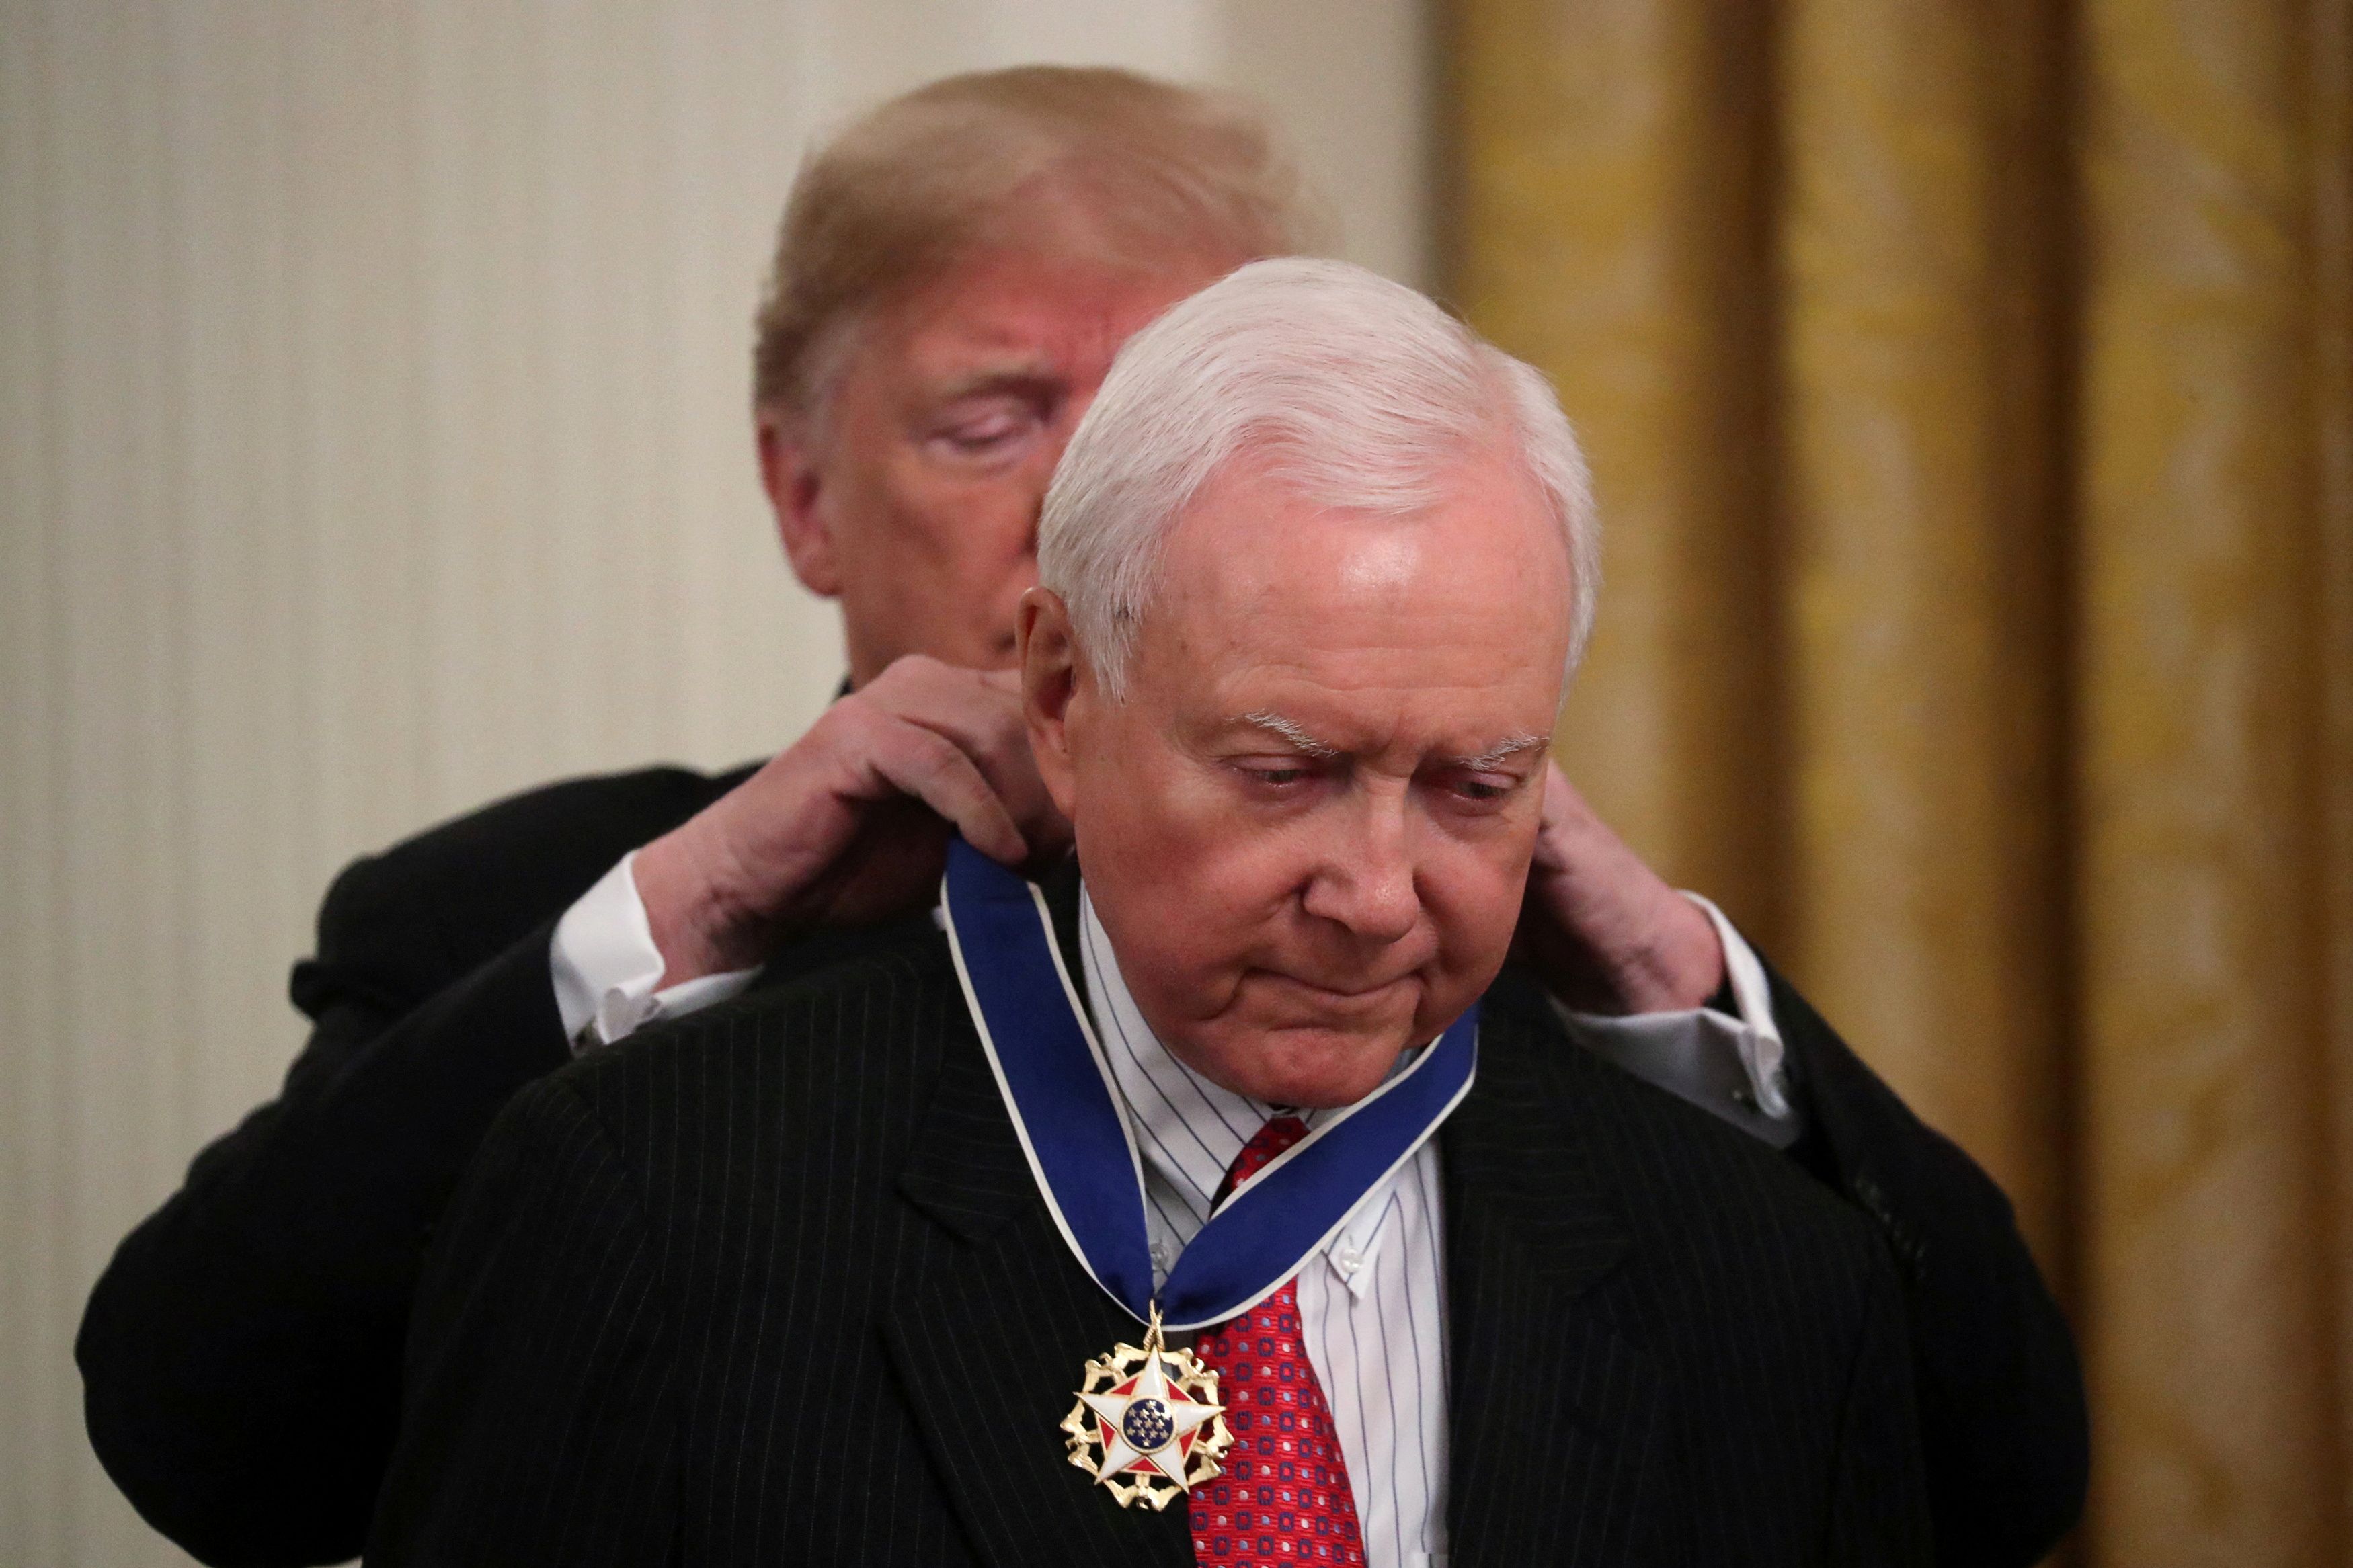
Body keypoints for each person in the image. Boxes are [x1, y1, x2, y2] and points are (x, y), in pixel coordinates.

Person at [77, 68, 2083, 1568]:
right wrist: (692, 916)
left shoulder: (1445, 942)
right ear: (800, 489)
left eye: (1191, 410)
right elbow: (218, 1441)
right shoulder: (563, 942)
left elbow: (1978, 1468)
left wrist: (1670, 977)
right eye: (999, 414)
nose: (1094, 492)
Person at [368, 257, 1934, 1566]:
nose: (1376, 898)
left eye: (1473, 784)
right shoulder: (658, 1200)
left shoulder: (1768, 1282)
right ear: (1061, 687)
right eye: (1282, 771)